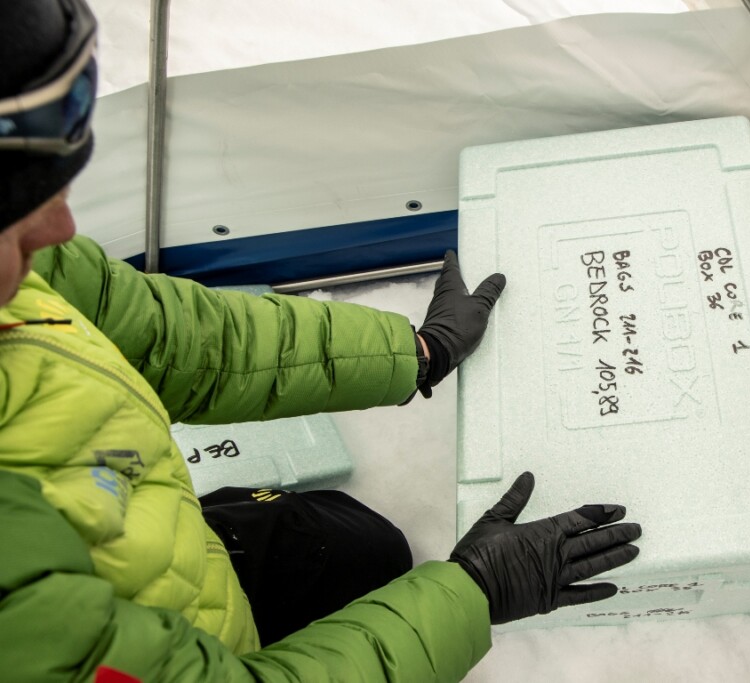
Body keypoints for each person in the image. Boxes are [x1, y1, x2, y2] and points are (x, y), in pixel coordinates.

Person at [0, 0, 644, 681]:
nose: (60, 230)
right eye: (11, 222)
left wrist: (419, 351)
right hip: (161, 647)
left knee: (363, 547)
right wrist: (475, 593)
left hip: (152, 544)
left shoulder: (30, 270)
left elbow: (177, 339)